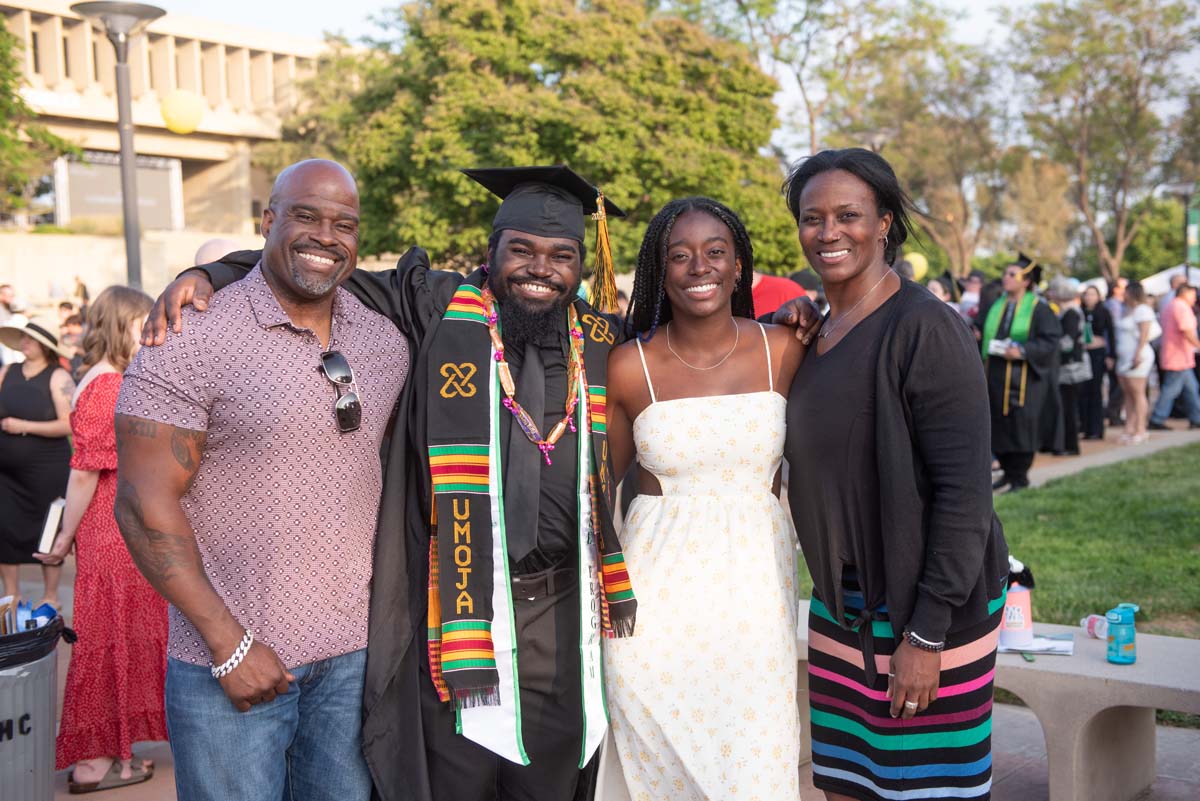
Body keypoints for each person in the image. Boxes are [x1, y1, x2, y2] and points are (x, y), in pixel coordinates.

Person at [115, 160, 410, 801]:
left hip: (354, 663)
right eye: (306, 215)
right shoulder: (194, 334)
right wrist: (228, 645)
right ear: (268, 221)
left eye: (345, 223)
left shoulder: (385, 340)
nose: (326, 235)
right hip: (228, 663)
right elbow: (142, 503)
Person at [780, 147, 1008, 801]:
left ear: (883, 222)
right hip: (841, 609)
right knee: (847, 785)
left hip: (927, 611)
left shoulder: (925, 329)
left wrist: (926, 632)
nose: (829, 232)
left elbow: (964, 493)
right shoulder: (815, 332)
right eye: (812, 216)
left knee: (927, 791)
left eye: (848, 214)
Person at [602, 198, 806, 800]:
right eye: (680, 255)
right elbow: (599, 490)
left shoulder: (785, 350)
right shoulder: (628, 366)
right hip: (654, 607)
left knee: (755, 774)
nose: (699, 267)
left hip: (755, 603)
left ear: (739, 264)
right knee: (659, 770)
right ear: (658, 271)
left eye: (715, 252)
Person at [34, 286, 169, 793]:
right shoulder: (109, 385)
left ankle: (115, 751)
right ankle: (93, 762)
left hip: (110, 529)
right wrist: (65, 537)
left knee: (115, 639)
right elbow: (85, 472)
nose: (148, 332)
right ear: (121, 326)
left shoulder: (96, 378)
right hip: (112, 533)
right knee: (109, 641)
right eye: (141, 323)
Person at [0, 318, 75, 605]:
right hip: (6, 475)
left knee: (48, 530)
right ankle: (11, 593)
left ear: (45, 345)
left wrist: (23, 426)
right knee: (4, 528)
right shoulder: (8, 371)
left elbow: (68, 424)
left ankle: (50, 596)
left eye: (30, 338)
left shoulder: (58, 376)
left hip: (46, 471)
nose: (24, 342)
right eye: (23, 337)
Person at [982, 255, 1061, 491]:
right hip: (996, 375)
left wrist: (1024, 350)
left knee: (1021, 428)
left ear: (1026, 281)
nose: (1005, 278)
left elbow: (1050, 341)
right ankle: (1008, 472)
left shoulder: (1039, 309)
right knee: (1000, 425)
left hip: (1024, 381)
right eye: (1005, 274)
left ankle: (1020, 477)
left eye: (1011, 274)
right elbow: (983, 328)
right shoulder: (998, 305)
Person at [1149, 283, 1200, 431]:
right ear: (1184, 293)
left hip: (1179, 355)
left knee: (1191, 388)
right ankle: (1157, 418)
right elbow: (1187, 331)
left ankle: (1196, 417)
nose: (1194, 297)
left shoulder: (1171, 305)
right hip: (1178, 355)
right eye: (1192, 294)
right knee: (1171, 389)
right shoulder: (1181, 307)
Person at [1113, 281, 1159, 444]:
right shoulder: (1127, 310)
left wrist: (1137, 354)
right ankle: (1129, 427)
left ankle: (1141, 428)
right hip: (1125, 357)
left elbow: (1144, 333)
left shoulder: (1142, 310)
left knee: (1137, 393)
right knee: (1128, 394)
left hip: (1137, 356)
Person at [1050, 278, 1088, 455]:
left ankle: (1071, 445)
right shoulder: (1068, 312)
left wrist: (1050, 346)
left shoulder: (1071, 313)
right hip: (1070, 367)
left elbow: (1068, 342)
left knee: (1069, 408)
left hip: (1071, 369)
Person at [1079, 285, 1114, 439]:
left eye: (1092, 294)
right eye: (1086, 294)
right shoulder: (1080, 312)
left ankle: (1096, 429)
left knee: (1095, 391)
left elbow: (1110, 334)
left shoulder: (1103, 312)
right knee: (1084, 391)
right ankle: (1085, 427)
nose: (1089, 298)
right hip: (1083, 354)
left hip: (1097, 355)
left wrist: (1110, 355)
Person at [1105, 276, 1129, 424]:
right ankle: (1112, 412)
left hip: (1120, 349)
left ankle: (1115, 414)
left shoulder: (1121, 305)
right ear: (1116, 289)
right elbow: (1113, 331)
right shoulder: (1113, 306)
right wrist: (1110, 353)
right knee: (1119, 383)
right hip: (1116, 350)